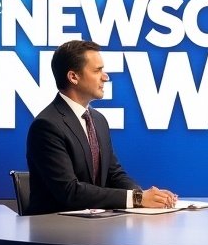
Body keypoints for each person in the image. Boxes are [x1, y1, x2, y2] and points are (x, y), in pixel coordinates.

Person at [26, 39, 178, 214]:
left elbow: (113, 174)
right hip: (53, 232)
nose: (105, 77)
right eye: (97, 71)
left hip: (93, 228)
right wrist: (137, 200)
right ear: (73, 77)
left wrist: (142, 196)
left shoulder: (98, 120)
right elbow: (69, 192)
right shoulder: (47, 126)